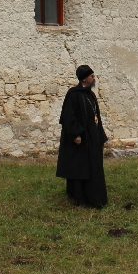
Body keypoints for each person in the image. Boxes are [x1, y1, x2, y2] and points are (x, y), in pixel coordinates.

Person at [56, 64, 108, 208]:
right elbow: (68, 116)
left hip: (92, 138)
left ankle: (95, 197)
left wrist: (100, 135)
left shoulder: (90, 94)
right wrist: (76, 134)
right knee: (80, 168)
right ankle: (79, 197)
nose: (94, 78)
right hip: (80, 140)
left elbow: (96, 116)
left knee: (93, 167)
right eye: (92, 76)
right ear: (85, 79)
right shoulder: (73, 94)